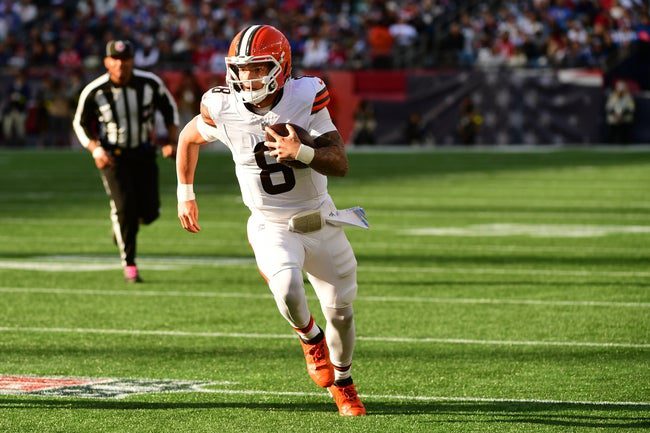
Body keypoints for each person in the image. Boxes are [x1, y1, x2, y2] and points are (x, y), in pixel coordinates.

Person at [176, 25, 366, 417]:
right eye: (243, 69)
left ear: (281, 66)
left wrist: (304, 152)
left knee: (342, 314)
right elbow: (188, 138)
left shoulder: (305, 95)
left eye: (259, 67)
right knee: (286, 284)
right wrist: (186, 194)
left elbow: (341, 163)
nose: (249, 78)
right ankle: (309, 338)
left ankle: (344, 384)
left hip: (321, 219)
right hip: (270, 224)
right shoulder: (221, 105)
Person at [72, 40, 179, 282]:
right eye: (116, 59)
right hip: (113, 157)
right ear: (107, 62)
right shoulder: (96, 90)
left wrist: (172, 141)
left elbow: (169, 109)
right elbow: (79, 123)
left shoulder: (150, 83)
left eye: (126, 59)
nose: (121, 64)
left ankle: (122, 225)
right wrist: (95, 149)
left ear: (133, 60)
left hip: (143, 153)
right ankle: (130, 264)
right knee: (125, 209)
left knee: (150, 212)